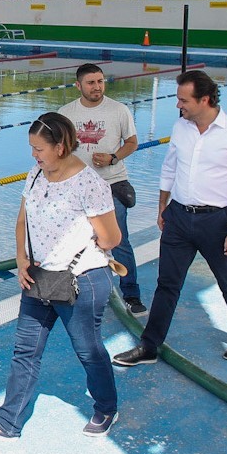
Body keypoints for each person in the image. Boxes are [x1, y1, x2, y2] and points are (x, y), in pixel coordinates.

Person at [0, 112, 122, 441]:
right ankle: (8, 422)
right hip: (38, 278)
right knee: (25, 351)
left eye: (39, 149)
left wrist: (81, 244)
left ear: (61, 147)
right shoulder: (36, 174)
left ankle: (106, 407)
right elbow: (22, 219)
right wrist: (22, 260)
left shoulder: (89, 183)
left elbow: (111, 239)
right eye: (32, 148)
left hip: (83, 280)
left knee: (88, 350)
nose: (33, 155)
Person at [113, 70, 227, 366]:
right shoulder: (182, 127)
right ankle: (149, 346)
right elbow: (169, 168)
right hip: (178, 216)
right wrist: (162, 207)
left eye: (183, 100)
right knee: (167, 283)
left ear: (204, 99)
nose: (178, 105)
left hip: (217, 220)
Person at [59, 63, 146, 317]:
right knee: (72, 240)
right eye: (91, 83)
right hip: (77, 189)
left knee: (119, 242)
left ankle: (131, 294)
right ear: (78, 86)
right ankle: (72, 289)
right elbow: (58, 149)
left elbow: (132, 143)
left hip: (111, 185)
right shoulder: (66, 113)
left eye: (100, 81)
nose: (97, 87)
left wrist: (113, 158)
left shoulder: (119, 110)